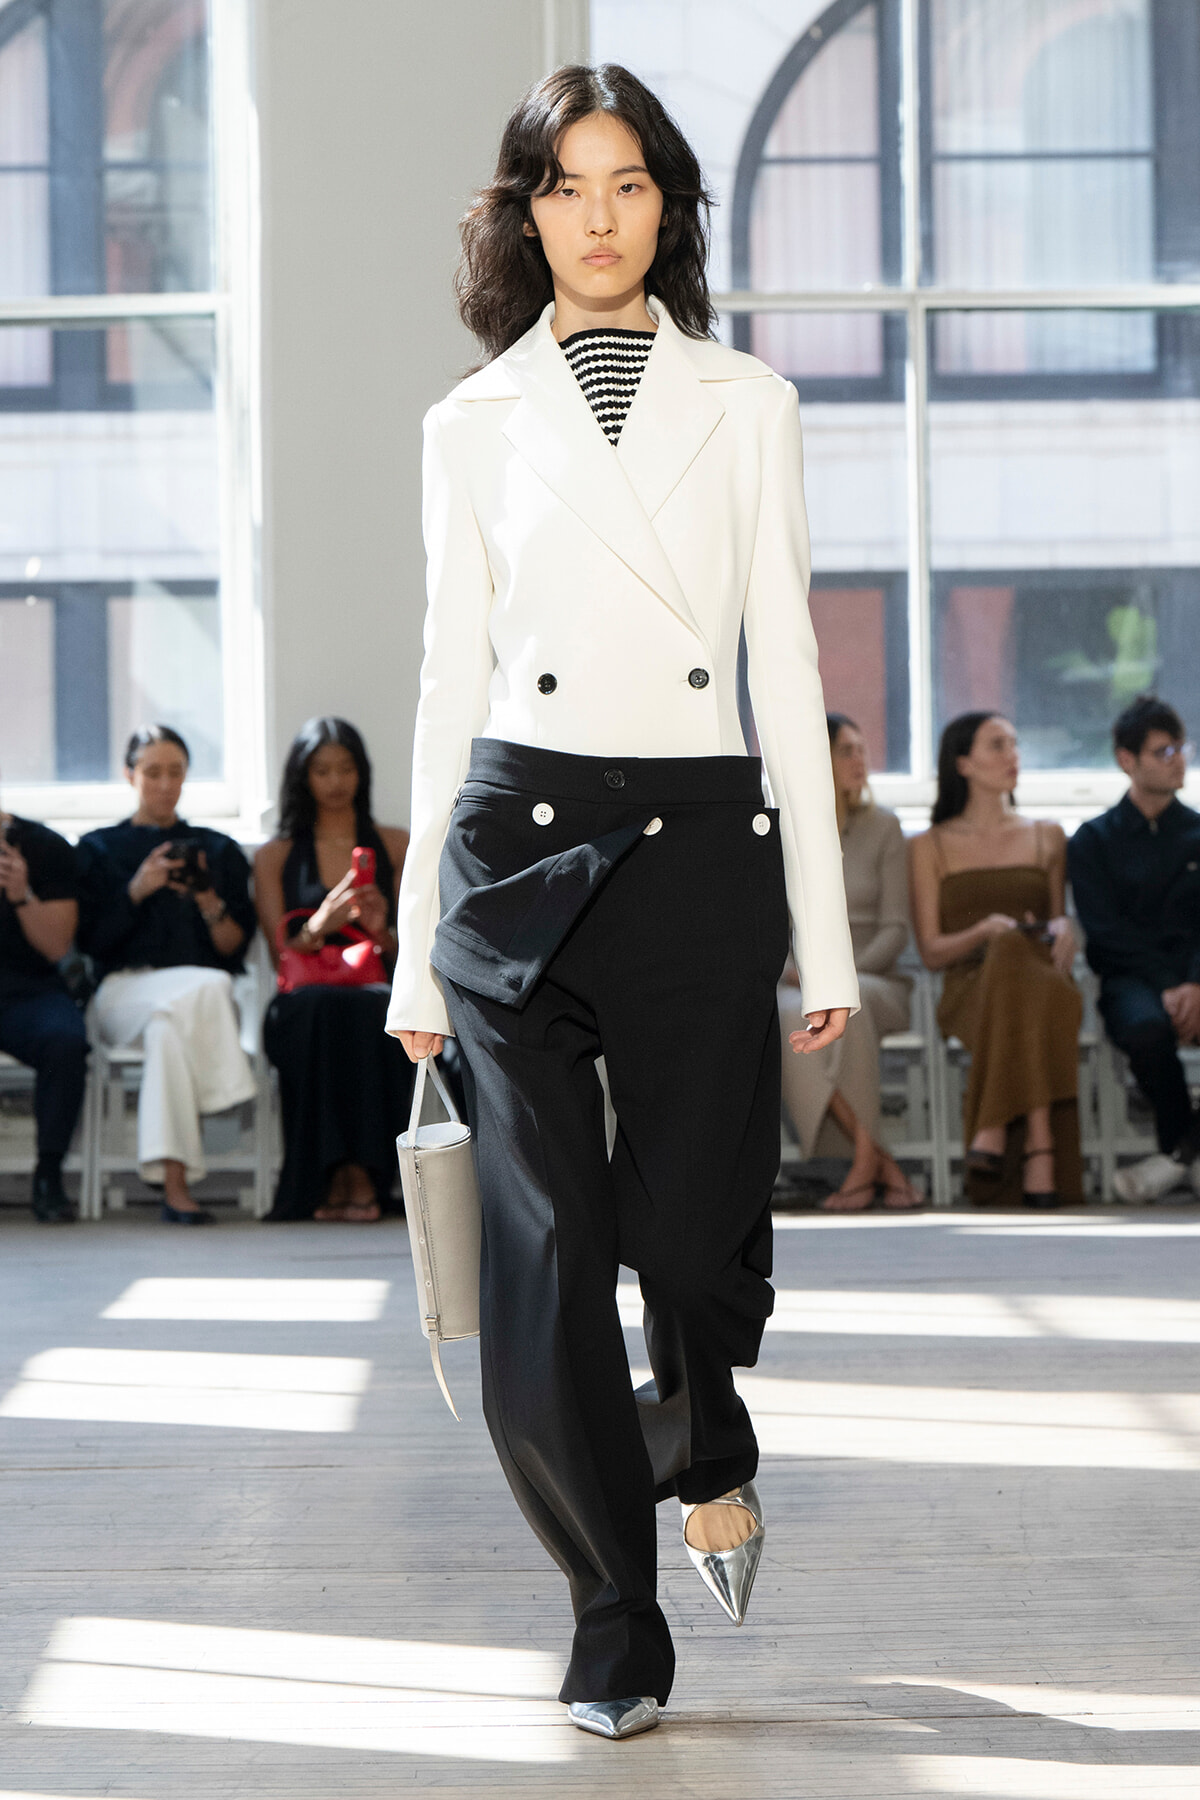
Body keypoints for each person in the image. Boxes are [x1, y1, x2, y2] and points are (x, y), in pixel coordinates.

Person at [386, 66, 858, 1740]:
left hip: (698, 841)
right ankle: (612, 1610)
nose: (598, 218)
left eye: (629, 184)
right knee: (549, 1252)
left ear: (670, 205)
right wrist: (415, 962)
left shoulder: (751, 403)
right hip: (516, 853)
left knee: (695, 1243)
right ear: (527, 212)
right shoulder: (471, 422)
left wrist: (823, 927)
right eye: (566, 186)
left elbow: (787, 670)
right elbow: (446, 686)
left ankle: (700, 1424)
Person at [77, 726, 257, 1225]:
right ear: (129, 774)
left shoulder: (217, 850)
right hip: (124, 993)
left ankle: (175, 1188)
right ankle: (226, 1092)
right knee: (210, 985)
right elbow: (90, 945)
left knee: (169, 1028)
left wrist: (207, 898)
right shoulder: (97, 849)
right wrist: (137, 890)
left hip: (191, 1008)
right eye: (152, 772)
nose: (164, 784)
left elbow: (234, 946)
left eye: (175, 772)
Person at [909, 712, 1083, 1208]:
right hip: (971, 990)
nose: (1013, 756)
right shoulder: (928, 846)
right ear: (963, 763)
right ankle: (1039, 1141)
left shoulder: (1048, 835)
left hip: (1044, 981)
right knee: (1005, 949)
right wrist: (983, 931)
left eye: (1015, 744)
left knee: (1018, 957)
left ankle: (993, 1127)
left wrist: (1066, 926)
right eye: (997, 745)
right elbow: (931, 951)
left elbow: (1055, 922)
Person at [255, 717, 413, 1222]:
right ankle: (331, 1177)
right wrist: (320, 924)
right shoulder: (275, 855)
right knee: (321, 1009)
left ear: (362, 773)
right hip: (304, 1000)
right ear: (302, 778)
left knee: (372, 1011)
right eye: (322, 770)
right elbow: (279, 954)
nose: (336, 782)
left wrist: (380, 931)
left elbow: (412, 954)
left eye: (346, 769)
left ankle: (363, 1177)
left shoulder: (395, 844)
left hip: (375, 989)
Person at [778, 714, 919, 1209]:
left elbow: (896, 929)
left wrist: (841, 980)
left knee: (845, 1008)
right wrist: (806, 975)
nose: (860, 760)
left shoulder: (885, 828)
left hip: (875, 978)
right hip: (797, 979)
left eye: (863, 749)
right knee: (787, 1012)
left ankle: (862, 1164)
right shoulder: (785, 831)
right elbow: (772, 923)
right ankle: (873, 1157)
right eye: (847, 750)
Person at [1069, 695, 1200, 1203]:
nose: (1178, 760)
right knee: (1146, 1029)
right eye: (1163, 751)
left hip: (1195, 975)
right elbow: (1105, 932)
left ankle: (1178, 1157)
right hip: (1132, 979)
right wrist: (1168, 986)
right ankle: (1186, 1154)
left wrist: (1193, 982)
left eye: (1181, 748)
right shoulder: (1093, 841)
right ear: (1127, 760)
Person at [0, 796, 87, 1222]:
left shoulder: (47, 846)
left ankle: (49, 1174)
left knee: (66, 1041)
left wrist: (22, 895)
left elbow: (56, 947)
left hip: (30, 990)